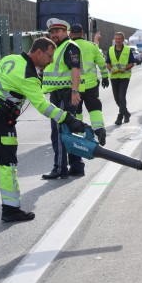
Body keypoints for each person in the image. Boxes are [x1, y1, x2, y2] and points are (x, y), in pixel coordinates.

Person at [0, 37, 89, 222]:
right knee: (8, 163)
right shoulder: (29, 75)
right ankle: (11, 209)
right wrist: (69, 120)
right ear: (39, 52)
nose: (51, 60)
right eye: (50, 55)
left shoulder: (9, 59)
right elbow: (43, 106)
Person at [41, 18, 86, 179]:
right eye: (52, 32)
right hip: (58, 94)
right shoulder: (57, 48)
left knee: (59, 132)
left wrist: (75, 92)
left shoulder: (69, 47)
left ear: (66, 32)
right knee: (69, 131)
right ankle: (77, 166)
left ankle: (60, 168)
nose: (54, 34)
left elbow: (75, 70)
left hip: (65, 95)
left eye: (57, 31)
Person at [69, 25, 107, 146]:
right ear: (82, 33)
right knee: (95, 108)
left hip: (75, 85)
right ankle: (99, 130)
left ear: (70, 34)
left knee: (76, 111)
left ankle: (78, 135)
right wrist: (105, 76)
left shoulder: (67, 46)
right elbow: (101, 63)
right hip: (91, 85)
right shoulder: (92, 46)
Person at [105, 32, 135, 125]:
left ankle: (120, 116)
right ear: (114, 40)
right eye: (116, 39)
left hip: (124, 77)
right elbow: (108, 63)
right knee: (117, 98)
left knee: (121, 97)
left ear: (123, 40)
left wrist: (125, 68)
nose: (117, 40)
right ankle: (126, 113)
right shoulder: (110, 49)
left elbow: (132, 63)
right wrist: (111, 69)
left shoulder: (127, 50)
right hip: (114, 77)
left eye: (119, 39)